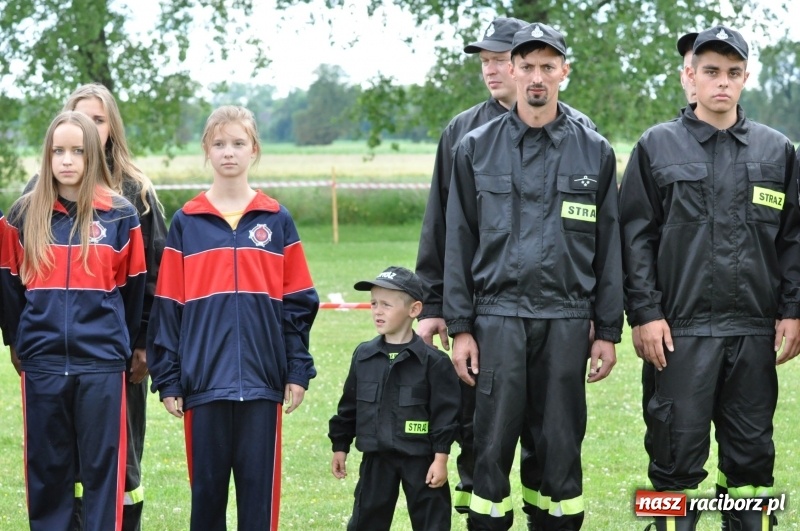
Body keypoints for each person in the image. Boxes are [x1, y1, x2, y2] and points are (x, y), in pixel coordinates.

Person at [414, 16, 597, 524]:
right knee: (481, 434)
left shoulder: (585, 138)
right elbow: (444, 229)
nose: (493, 70)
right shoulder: (464, 135)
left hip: (559, 313)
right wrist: (440, 309)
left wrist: (598, 319)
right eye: (488, 62)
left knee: (555, 436)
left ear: (556, 70)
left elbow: (596, 238)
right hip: (490, 313)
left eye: (498, 59)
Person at [619, 25, 800, 531]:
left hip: (753, 331)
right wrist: (646, 314)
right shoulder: (656, 146)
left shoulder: (777, 151)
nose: (723, 83)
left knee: (751, 463)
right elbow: (634, 239)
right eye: (711, 72)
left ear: (745, 79)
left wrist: (793, 309)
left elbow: (792, 241)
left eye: (733, 73)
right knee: (674, 461)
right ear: (689, 77)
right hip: (680, 333)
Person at [147, 105, 319, 531]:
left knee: (258, 505)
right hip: (203, 385)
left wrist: (296, 370)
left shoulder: (276, 220)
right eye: (219, 144)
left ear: (254, 149)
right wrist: (168, 377)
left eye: (238, 143)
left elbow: (297, 303)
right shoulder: (186, 223)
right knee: (206, 501)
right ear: (206, 150)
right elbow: (168, 307)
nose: (229, 152)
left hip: (263, 384)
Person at [9, 83, 167, 531]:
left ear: (110, 128)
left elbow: (145, 279)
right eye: (79, 121)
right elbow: (14, 283)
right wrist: (20, 338)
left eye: (98, 121)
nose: (74, 152)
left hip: (109, 355)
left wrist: (140, 341)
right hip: (46, 358)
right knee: (53, 461)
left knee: (114, 460)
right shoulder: (31, 203)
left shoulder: (132, 197)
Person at [328, 266, 460, 530]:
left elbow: (446, 414)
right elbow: (349, 407)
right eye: (374, 303)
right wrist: (340, 445)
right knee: (366, 521)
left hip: (421, 459)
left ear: (414, 310)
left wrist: (440, 457)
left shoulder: (434, 363)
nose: (377, 310)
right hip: (376, 459)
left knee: (432, 522)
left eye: (386, 305)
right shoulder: (363, 356)